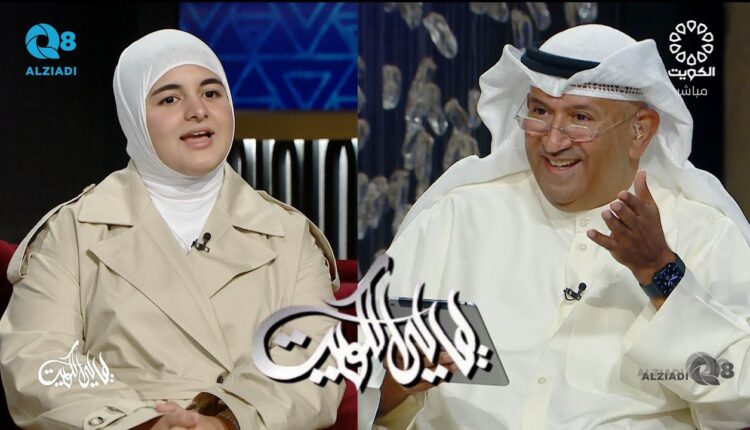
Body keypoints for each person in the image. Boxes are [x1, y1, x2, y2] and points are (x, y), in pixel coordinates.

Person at [364, 24, 750, 429]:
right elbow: (362, 395)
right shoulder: (458, 215)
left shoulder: (704, 233)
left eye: (580, 118)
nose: (552, 142)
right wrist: (397, 383)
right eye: (540, 113)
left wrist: (660, 273)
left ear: (640, 130)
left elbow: (739, 403)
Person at [0, 29, 343, 429]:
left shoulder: (289, 233)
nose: (198, 111)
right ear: (133, 116)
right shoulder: (72, 230)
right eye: (169, 98)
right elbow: (39, 361)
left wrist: (225, 421)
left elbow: (313, 361)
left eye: (211, 93)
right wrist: (144, 423)